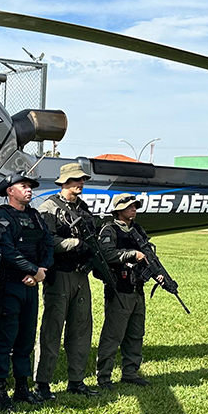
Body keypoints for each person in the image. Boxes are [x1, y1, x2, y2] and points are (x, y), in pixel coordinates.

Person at [34, 163, 100, 398]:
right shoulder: (49, 207)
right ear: (63, 183)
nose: (80, 183)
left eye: (81, 180)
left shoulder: (83, 208)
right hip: (59, 275)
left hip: (81, 275)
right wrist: (72, 244)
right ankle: (42, 383)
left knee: (81, 329)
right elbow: (45, 240)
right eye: (75, 180)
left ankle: (77, 381)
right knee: (52, 330)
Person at [0, 171, 52, 408]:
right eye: (23, 185)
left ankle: (22, 387)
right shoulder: (3, 218)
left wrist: (41, 270)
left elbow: (47, 244)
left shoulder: (35, 217)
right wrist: (34, 270)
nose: (28, 189)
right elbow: (6, 250)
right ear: (9, 191)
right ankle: (1, 390)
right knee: (6, 339)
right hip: (11, 285)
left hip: (31, 286)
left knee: (26, 338)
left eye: (29, 186)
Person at [95, 193, 157, 389]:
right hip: (119, 290)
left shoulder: (137, 230)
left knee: (136, 333)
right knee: (113, 335)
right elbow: (107, 253)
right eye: (130, 206)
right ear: (118, 210)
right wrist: (132, 254)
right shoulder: (110, 229)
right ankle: (104, 377)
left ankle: (130, 372)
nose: (134, 209)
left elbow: (147, 254)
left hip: (137, 289)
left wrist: (157, 274)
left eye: (135, 206)